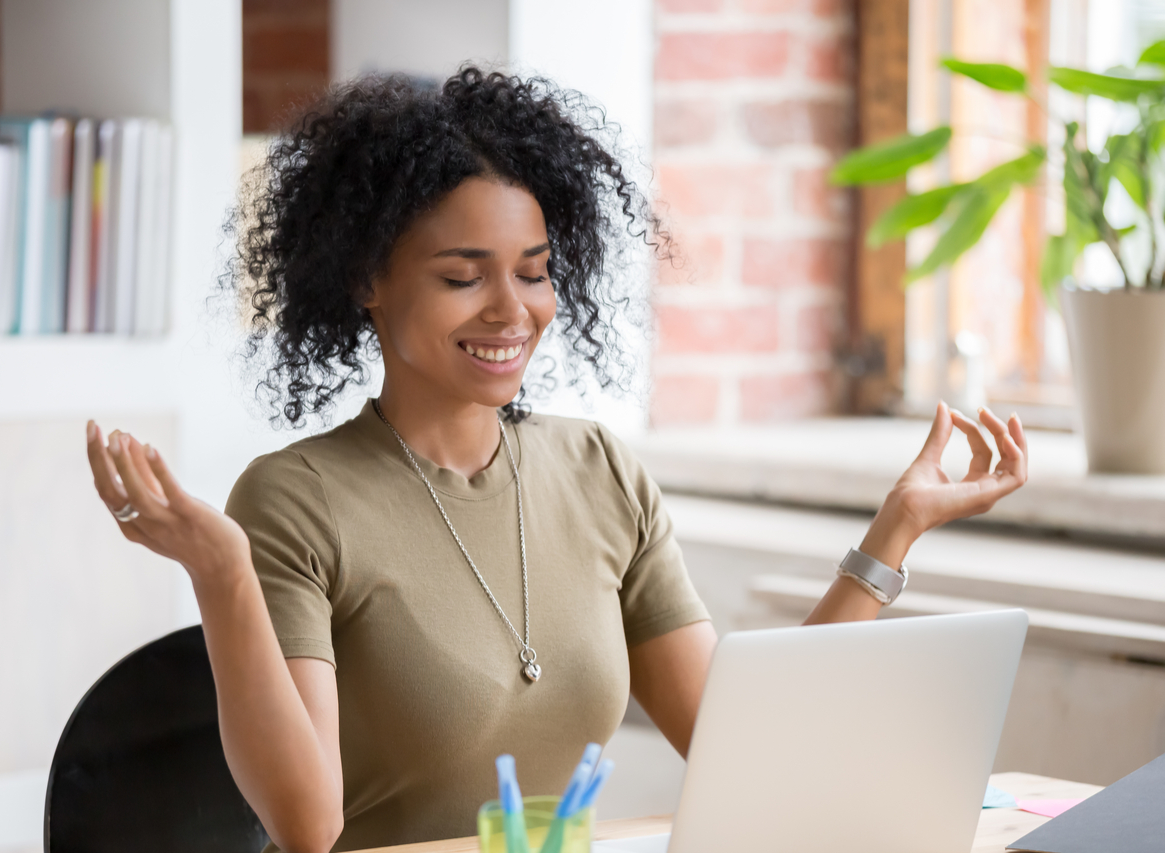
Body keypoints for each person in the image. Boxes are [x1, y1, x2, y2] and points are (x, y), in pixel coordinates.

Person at [83, 68, 1029, 853]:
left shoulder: (597, 471)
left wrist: (894, 530)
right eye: (463, 276)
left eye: (534, 271)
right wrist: (221, 573)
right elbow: (305, 824)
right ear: (364, 280)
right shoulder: (296, 499)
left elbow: (744, 741)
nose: (512, 309)